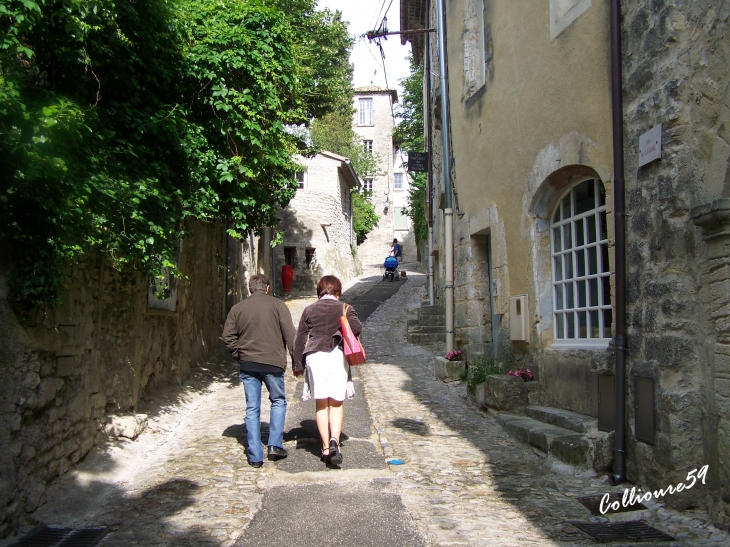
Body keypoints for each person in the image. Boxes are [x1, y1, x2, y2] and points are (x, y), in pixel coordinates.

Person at [222, 274, 296, 468]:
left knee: (252, 408)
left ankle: (255, 455)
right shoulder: (278, 305)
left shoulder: (237, 309)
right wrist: (297, 361)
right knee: (278, 401)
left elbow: (227, 336)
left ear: (250, 289)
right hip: (272, 362)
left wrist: (239, 354)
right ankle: (274, 445)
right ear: (267, 287)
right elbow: (290, 335)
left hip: (248, 363)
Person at [293, 275, 362, 465]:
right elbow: (356, 328)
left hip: (315, 357)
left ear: (320, 291)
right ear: (338, 291)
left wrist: (297, 365)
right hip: (336, 356)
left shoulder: (309, 309)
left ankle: (325, 448)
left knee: (321, 404)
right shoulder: (344, 308)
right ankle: (335, 442)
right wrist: (340, 331)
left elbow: (299, 339)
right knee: (336, 403)